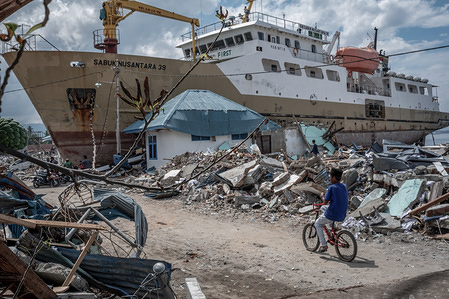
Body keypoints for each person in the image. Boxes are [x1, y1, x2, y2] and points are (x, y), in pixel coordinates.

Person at [314, 168, 348, 252]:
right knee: (323, 208)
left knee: (317, 223)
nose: (329, 178)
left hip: (333, 213)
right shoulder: (344, 186)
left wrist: (322, 196)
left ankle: (323, 245)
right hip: (343, 213)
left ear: (333, 177)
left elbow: (325, 202)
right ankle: (334, 227)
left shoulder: (331, 187)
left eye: (330, 177)